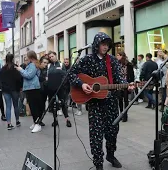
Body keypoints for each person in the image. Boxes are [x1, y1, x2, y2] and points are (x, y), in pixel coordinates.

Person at [68, 32, 134, 170]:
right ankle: (98, 164)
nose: (105, 47)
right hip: (95, 104)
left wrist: (126, 85)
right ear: (96, 44)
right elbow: (71, 74)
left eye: (107, 45)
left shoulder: (112, 60)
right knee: (96, 135)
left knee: (112, 131)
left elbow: (119, 78)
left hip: (111, 103)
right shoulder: (87, 59)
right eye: (103, 44)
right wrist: (82, 84)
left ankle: (110, 155)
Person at [15, 50, 43, 133]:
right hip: (31, 88)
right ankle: (35, 123)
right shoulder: (32, 65)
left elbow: (29, 75)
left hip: (32, 88)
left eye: (26, 56)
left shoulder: (32, 65)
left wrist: (21, 70)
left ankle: (37, 124)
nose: (25, 58)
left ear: (30, 57)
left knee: (34, 107)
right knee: (32, 106)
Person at [47, 51, 71, 127]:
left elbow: (65, 76)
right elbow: (47, 76)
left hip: (60, 88)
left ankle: (67, 120)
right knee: (53, 105)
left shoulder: (61, 64)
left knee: (63, 104)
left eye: (52, 56)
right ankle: (55, 120)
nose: (51, 58)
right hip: (51, 89)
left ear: (56, 56)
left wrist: (62, 85)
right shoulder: (48, 66)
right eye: (50, 57)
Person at [0, 54, 23, 130]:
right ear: (13, 59)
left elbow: (1, 80)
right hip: (15, 89)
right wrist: (20, 87)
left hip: (6, 90)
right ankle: (17, 121)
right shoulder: (15, 67)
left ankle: (9, 124)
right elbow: (19, 78)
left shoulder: (3, 69)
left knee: (8, 106)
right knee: (16, 106)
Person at [116, 51, 134, 122]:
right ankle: (121, 114)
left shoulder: (128, 64)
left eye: (118, 55)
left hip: (127, 84)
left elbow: (132, 75)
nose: (117, 56)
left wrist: (131, 83)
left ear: (122, 56)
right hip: (119, 84)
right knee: (120, 99)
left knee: (126, 100)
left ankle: (125, 114)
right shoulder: (116, 64)